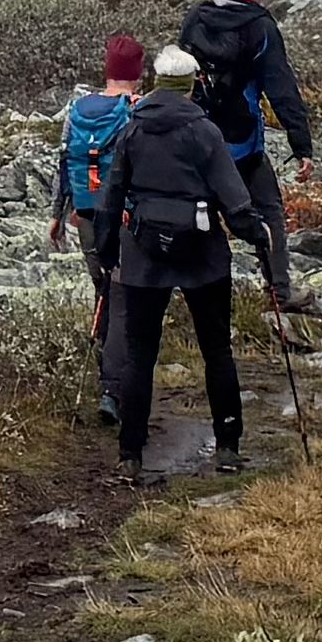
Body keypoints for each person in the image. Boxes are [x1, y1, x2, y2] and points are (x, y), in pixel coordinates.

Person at [100, 43, 250, 470]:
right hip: (203, 255)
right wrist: (257, 236)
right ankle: (227, 448)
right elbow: (233, 198)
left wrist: (109, 250)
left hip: (144, 254)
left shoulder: (132, 129)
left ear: (156, 83)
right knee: (216, 349)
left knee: (140, 354)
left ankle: (130, 455)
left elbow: (112, 195)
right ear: (190, 85)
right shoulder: (204, 131)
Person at [176, 0, 318, 320]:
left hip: (195, 136)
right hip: (242, 144)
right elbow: (281, 87)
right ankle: (279, 290)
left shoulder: (197, 17)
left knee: (197, 215)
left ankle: (192, 294)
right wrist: (301, 144)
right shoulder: (261, 27)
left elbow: (180, 78)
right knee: (268, 211)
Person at [53, 30, 145, 319]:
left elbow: (64, 160)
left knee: (101, 285)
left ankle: (104, 354)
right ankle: (127, 357)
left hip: (86, 210)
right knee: (127, 290)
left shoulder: (78, 109)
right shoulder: (137, 109)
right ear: (138, 71)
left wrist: (57, 215)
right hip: (125, 214)